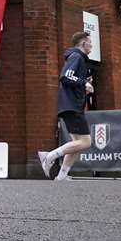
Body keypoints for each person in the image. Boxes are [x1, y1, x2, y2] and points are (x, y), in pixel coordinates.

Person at [38, 32, 94, 181]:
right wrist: (84, 83)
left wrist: (83, 83)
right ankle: (49, 157)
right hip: (72, 106)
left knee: (77, 144)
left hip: (70, 105)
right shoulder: (77, 57)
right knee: (85, 142)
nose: (91, 45)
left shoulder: (76, 57)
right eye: (90, 42)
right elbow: (66, 76)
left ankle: (61, 176)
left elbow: (70, 78)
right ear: (83, 44)